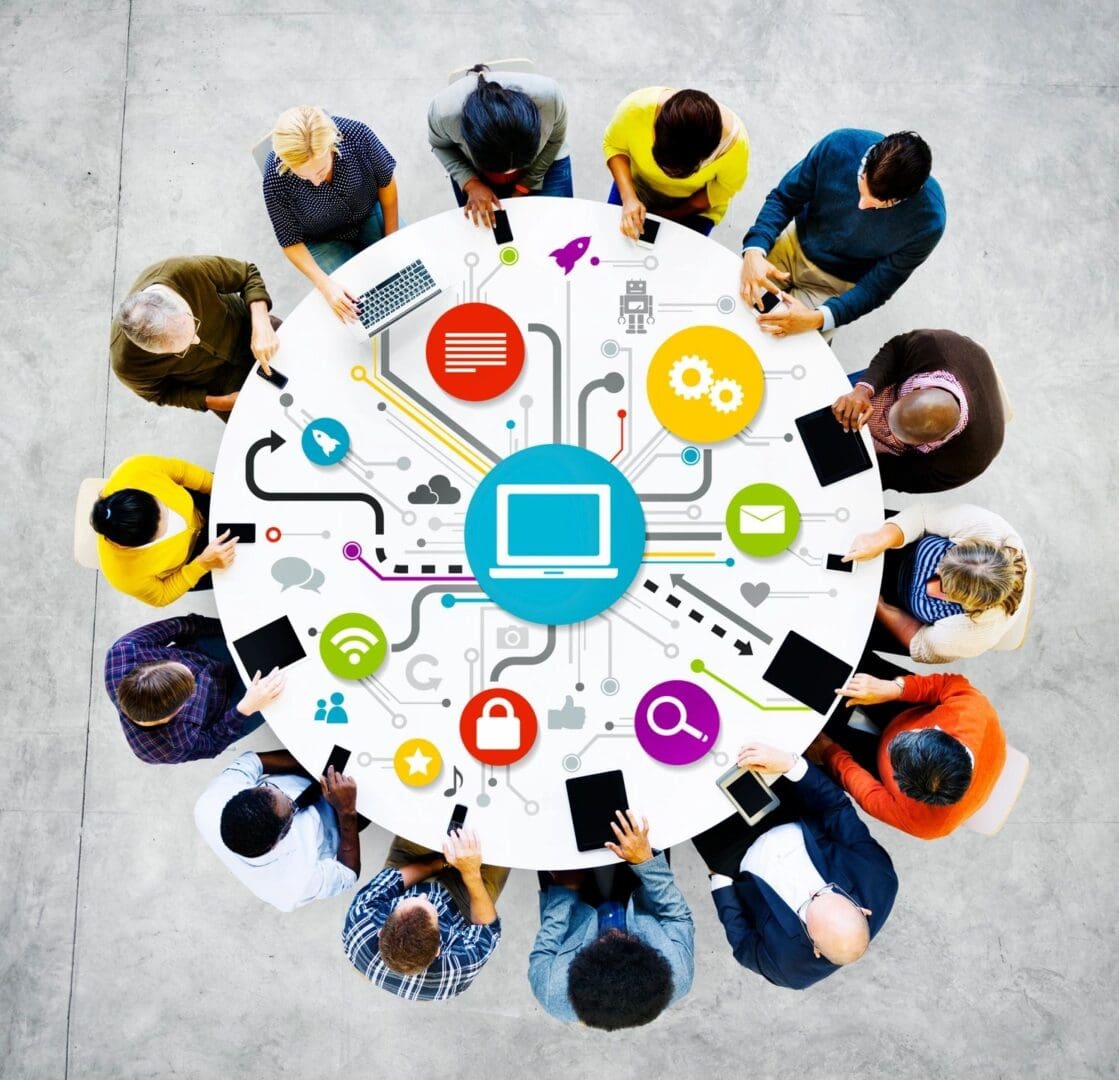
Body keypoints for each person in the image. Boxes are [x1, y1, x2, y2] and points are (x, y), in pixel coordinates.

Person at [706, 743, 897, 990]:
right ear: (862, 910)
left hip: (731, 853)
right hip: (788, 809)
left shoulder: (788, 970)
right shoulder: (879, 879)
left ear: (816, 948)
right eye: (824, 891)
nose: (810, 892)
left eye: (808, 906)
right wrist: (790, 765)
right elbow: (836, 809)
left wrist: (720, 882)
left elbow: (744, 947)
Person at [739, 129, 945, 339]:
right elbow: (784, 198)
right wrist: (755, 249)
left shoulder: (928, 222)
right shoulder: (838, 146)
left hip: (835, 285)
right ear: (867, 159)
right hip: (794, 243)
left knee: (790, 349)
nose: (861, 205)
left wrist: (819, 318)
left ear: (909, 196)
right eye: (861, 183)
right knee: (738, 306)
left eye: (878, 205)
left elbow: (876, 287)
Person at [529, 810, 694, 1028]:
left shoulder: (552, 992)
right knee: (634, 816)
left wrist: (564, 889)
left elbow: (546, 947)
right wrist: (646, 862)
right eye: (628, 940)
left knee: (553, 825)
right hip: (641, 893)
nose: (613, 931)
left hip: (575, 907)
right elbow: (677, 916)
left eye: (602, 941)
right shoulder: (678, 975)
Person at [817, 670, 1007, 840]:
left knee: (821, 726)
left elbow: (870, 794)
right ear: (940, 734)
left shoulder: (929, 825)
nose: (895, 741)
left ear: (906, 789)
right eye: (914, 734)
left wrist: (828, 752)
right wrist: (893, 688)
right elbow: (946, 684)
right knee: (845, 673)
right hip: (907, 709)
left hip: (875, 762)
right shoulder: (972, 711)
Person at [262, 106, 400, 323]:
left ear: (332, 144)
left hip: (369, 211)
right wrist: (325, 286)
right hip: (323, 240)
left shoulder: (356, 134)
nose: (315, 182)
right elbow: (289, 241)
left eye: (320, 171)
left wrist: (392, 238)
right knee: (359, 308)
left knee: (403, 269)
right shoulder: (274, 177)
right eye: (304, 176)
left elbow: (386, 182)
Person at [845, 503, 1032, 663]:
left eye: (944, 590)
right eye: (941, 567)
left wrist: (878, 606)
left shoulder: (970, 634)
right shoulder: (984, 527)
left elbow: (919, 641)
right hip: (905, 544)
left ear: (971, 607)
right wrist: (880, 539)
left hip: (899, 612)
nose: (929, 586)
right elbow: (923, 517)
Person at [831, 329, 1006, 493]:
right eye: (887, 413)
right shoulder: (932, 345)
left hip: (905, 457)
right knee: (822, 403)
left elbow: (894, 476)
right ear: (915, 389)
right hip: (887, 385)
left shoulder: (966, 462)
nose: (883, 427)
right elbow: (896, 350)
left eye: (898, 438)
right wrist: (864, 389)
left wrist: (853, 469)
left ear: (935, 442)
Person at [342, 828, 507, 1001]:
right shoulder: (456, 969)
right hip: (463, 904)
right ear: (438, 951)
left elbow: (395, 879)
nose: (424, 896)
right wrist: (470, 872)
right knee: (502, 844)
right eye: (430, 905)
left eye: (413, 900)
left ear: (381, 931)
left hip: (412, 877)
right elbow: (487, 927)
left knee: (425, 813)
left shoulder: (360, 922)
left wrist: (443, 863)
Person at [110, 255, 279, 419]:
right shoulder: (126, 364)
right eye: (182, 350)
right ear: (152, 352)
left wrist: (261, 323)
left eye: (195, 324)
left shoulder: (184, 271)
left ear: (178, 300)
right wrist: (217, 402)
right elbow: (160, 393)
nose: (197, 340)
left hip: (251, 329)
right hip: (220, 384)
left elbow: (247, 274)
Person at [104, 614, 284, 764]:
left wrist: (233, 628)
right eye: (191, 686)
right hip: (230, 708)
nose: (192, 672)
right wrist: (246, 708)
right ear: (173, 714)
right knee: (285, 688)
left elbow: (182, 625)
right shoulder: (168, 748)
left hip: (204, 652)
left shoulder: (124, 651)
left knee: (274, 631)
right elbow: (213, 742)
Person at [194, 751, 360, 912]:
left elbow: (253, 761)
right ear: (276, 843)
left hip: (304, 769)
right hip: (340, 819)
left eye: (268, 787)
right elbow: (348, 873)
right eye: (289, 803)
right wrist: (347, 811)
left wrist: (314, 764)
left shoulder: (210, 803)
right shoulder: (293, 886)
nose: (285, 793)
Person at [428, 65, 572, 228]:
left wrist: (524, 186)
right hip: (474, 170)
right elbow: (440, 146)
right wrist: (471, 183)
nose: (508, 175)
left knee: (558, 225)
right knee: (484, 234)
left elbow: (554, 140)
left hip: (545, 159)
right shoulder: (444, 114)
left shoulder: (550, 99)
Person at [90, 455, 238, 607]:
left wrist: (220, 490)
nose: (174, 518)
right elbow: (162, 596)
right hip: (194, 559)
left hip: (200, 500)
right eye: (165, 530)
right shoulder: (123, 576)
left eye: (164, 507)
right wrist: (201, 565)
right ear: (129, 546)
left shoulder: (135, 470)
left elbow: (182, 472)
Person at [603, 87, 749, 238]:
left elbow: (725, 188)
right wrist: (629, 198)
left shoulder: (736, 146)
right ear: (655, 128)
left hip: (693, 207)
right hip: (637, 187)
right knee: (610, 242)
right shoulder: (635, 109)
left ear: (710, 153)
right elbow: (614, 145)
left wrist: (672, 214)